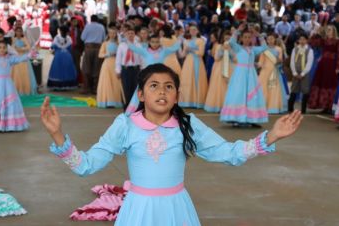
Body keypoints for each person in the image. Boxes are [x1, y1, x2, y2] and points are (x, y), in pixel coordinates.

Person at [41, 63, 303, 226]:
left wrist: (270, 137)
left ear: (177, 95)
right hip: (138, 210)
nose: (162, 91)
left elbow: (229, 153)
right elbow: (86, 165)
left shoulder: (188, 124)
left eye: (169, 86)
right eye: (154, 86)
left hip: (176, 208)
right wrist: (58, 135)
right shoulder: (125, 125)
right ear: (141, 94)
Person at [220, 23, 268, 127]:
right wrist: (237, 31)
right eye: (245, 37)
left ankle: (251, 118)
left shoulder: (253, 49)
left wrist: (258, 35)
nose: (247, 39)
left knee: (251, 96)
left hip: (251, 74)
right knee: (239, 94)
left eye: (249, 37)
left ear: (251, 38)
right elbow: (231, 42)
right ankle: (236, 117)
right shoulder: (238, 48)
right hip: (240, 74)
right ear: (241, 38)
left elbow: (264, 47)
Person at [0, 40, 34, 132]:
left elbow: (20, 59)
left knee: (10, 103)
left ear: (7, 48)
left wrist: (29, 55)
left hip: (7, 83)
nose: (2, 49)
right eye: (0, 47)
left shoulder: (9, 58)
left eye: (4, 47)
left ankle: (9, 124)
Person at [257, 33, 288, 114]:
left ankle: (273, 108)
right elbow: (261, 62)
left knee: (273, 89)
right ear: (266, 40)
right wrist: (255, 65)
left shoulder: (279, 49)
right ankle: (263, 107)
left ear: (275, 40)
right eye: (269, 39)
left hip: (274, 71)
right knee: (263, 89)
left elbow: (280, 60)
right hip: (264, 71)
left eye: (272, 39)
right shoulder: (264, 49)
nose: (270, 40)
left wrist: (276, 58)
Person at [97, 25, 123, 108]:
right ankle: (108, 101)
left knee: (116, 83)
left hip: (116, 64)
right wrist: (108, 54)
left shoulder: (119, 44)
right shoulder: (105, 43)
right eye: (111, 33)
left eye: (114, 33)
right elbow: (100, 54)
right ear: (108, 34)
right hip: (107, 64)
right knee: (107, 83)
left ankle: (115, 101)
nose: (112, 34)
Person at [288, 34, 314, 114]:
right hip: (296, 72)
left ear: (307, 40)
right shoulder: (295, 49)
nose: (302, 41)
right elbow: (292, 61)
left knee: (305, 90)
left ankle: (303, 110)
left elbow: (309, 63)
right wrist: (294, 73)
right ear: (298, 40)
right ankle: (290, 108)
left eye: (304, 39)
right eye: (300, 39)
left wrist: (303, 73)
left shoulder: (310, 50)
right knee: (294, 89)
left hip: (305, 73)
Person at [47, 25, 77, 90]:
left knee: (57, 70)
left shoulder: (56, 38)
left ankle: (57, 85)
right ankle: (67, 85)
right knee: (67, 70)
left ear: (60, 31)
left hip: (58, 56)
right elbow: (70, 48)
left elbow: (53, 47)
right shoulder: (69, 38)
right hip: (67, 56)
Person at [11, 27, 37, 95]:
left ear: (22, 32)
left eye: (20, 31)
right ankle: (16, 91)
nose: (19, 33)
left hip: (24, 58)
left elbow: (28, 47)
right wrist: (16, 49)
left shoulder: (24, 39)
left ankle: (25, 90)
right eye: (17, 31)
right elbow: (11, 47)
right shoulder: (13, 39)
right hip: (15, 58)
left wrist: (20, 49)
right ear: (15, 32)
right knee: (16, 75)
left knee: (24, 74)